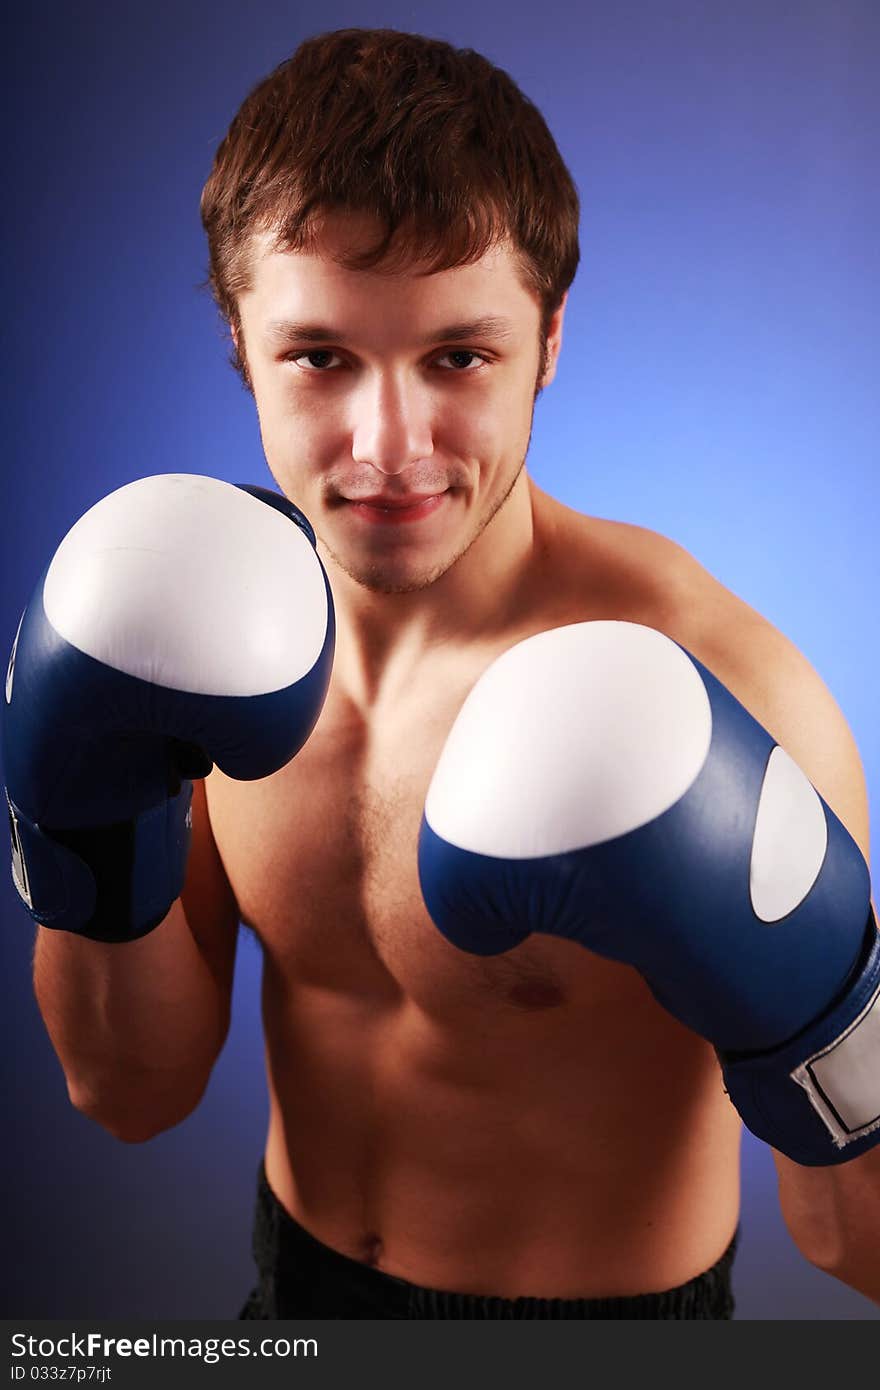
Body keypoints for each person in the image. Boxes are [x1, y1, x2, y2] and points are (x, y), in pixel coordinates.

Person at [6, 27, 879, 1320]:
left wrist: (831, 1023)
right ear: (239, 342)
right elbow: (128, 1090)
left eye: (457, 356)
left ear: (551, 339)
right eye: (320, 357)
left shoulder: (721, 684)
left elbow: (855, 1247)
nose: (388, 443)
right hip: (288, 1304)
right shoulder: (194, 630)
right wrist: (72, 816)